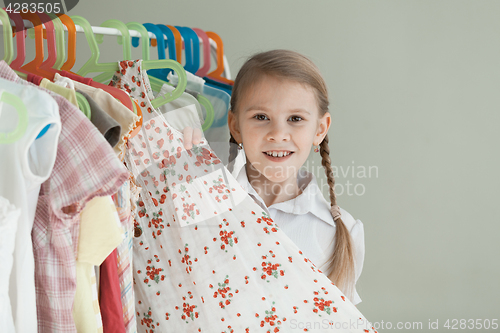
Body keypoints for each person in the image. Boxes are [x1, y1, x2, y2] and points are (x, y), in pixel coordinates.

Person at [182, 49, 365, 305]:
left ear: (320, 129)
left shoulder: (337, 231)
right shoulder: (205, 194)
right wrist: (179, 166)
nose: (278, 133)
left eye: (295, 119)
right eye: (261, 117)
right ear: (235, 126)